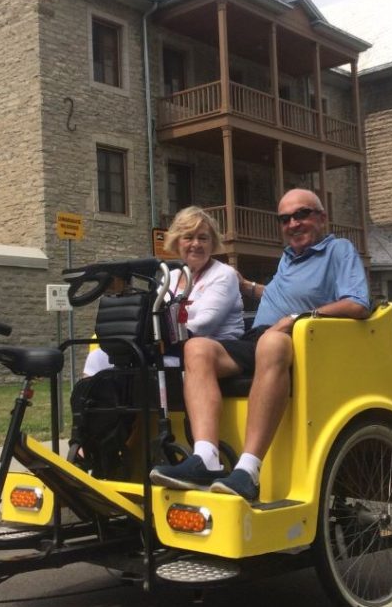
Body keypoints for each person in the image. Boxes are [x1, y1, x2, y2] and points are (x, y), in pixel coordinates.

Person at [150, 188, 370, 502]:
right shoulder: (290, 257)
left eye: (302, 214)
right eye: (285, 219)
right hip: (259, 338)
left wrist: (296, 317)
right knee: (196, 349)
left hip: (304, 340)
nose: (293, 223)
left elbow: (358, 304)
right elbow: (281, 296)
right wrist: (248, 287)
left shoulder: (338, 251)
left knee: (271, 343)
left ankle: (248, 470)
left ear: (322, 218)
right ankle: (206, 458)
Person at [82, 206, 244, 376]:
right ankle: (92, 401)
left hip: (213, 348)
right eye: (188, 237)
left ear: (212, 243)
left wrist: (155, 336)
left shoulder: (224, 274)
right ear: (177, 242)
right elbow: (154, 312)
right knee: (98, 356)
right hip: (169, 346)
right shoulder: (171, 276)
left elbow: (203, 325)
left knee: (156, 364)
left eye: (203, 238)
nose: (196, 244)